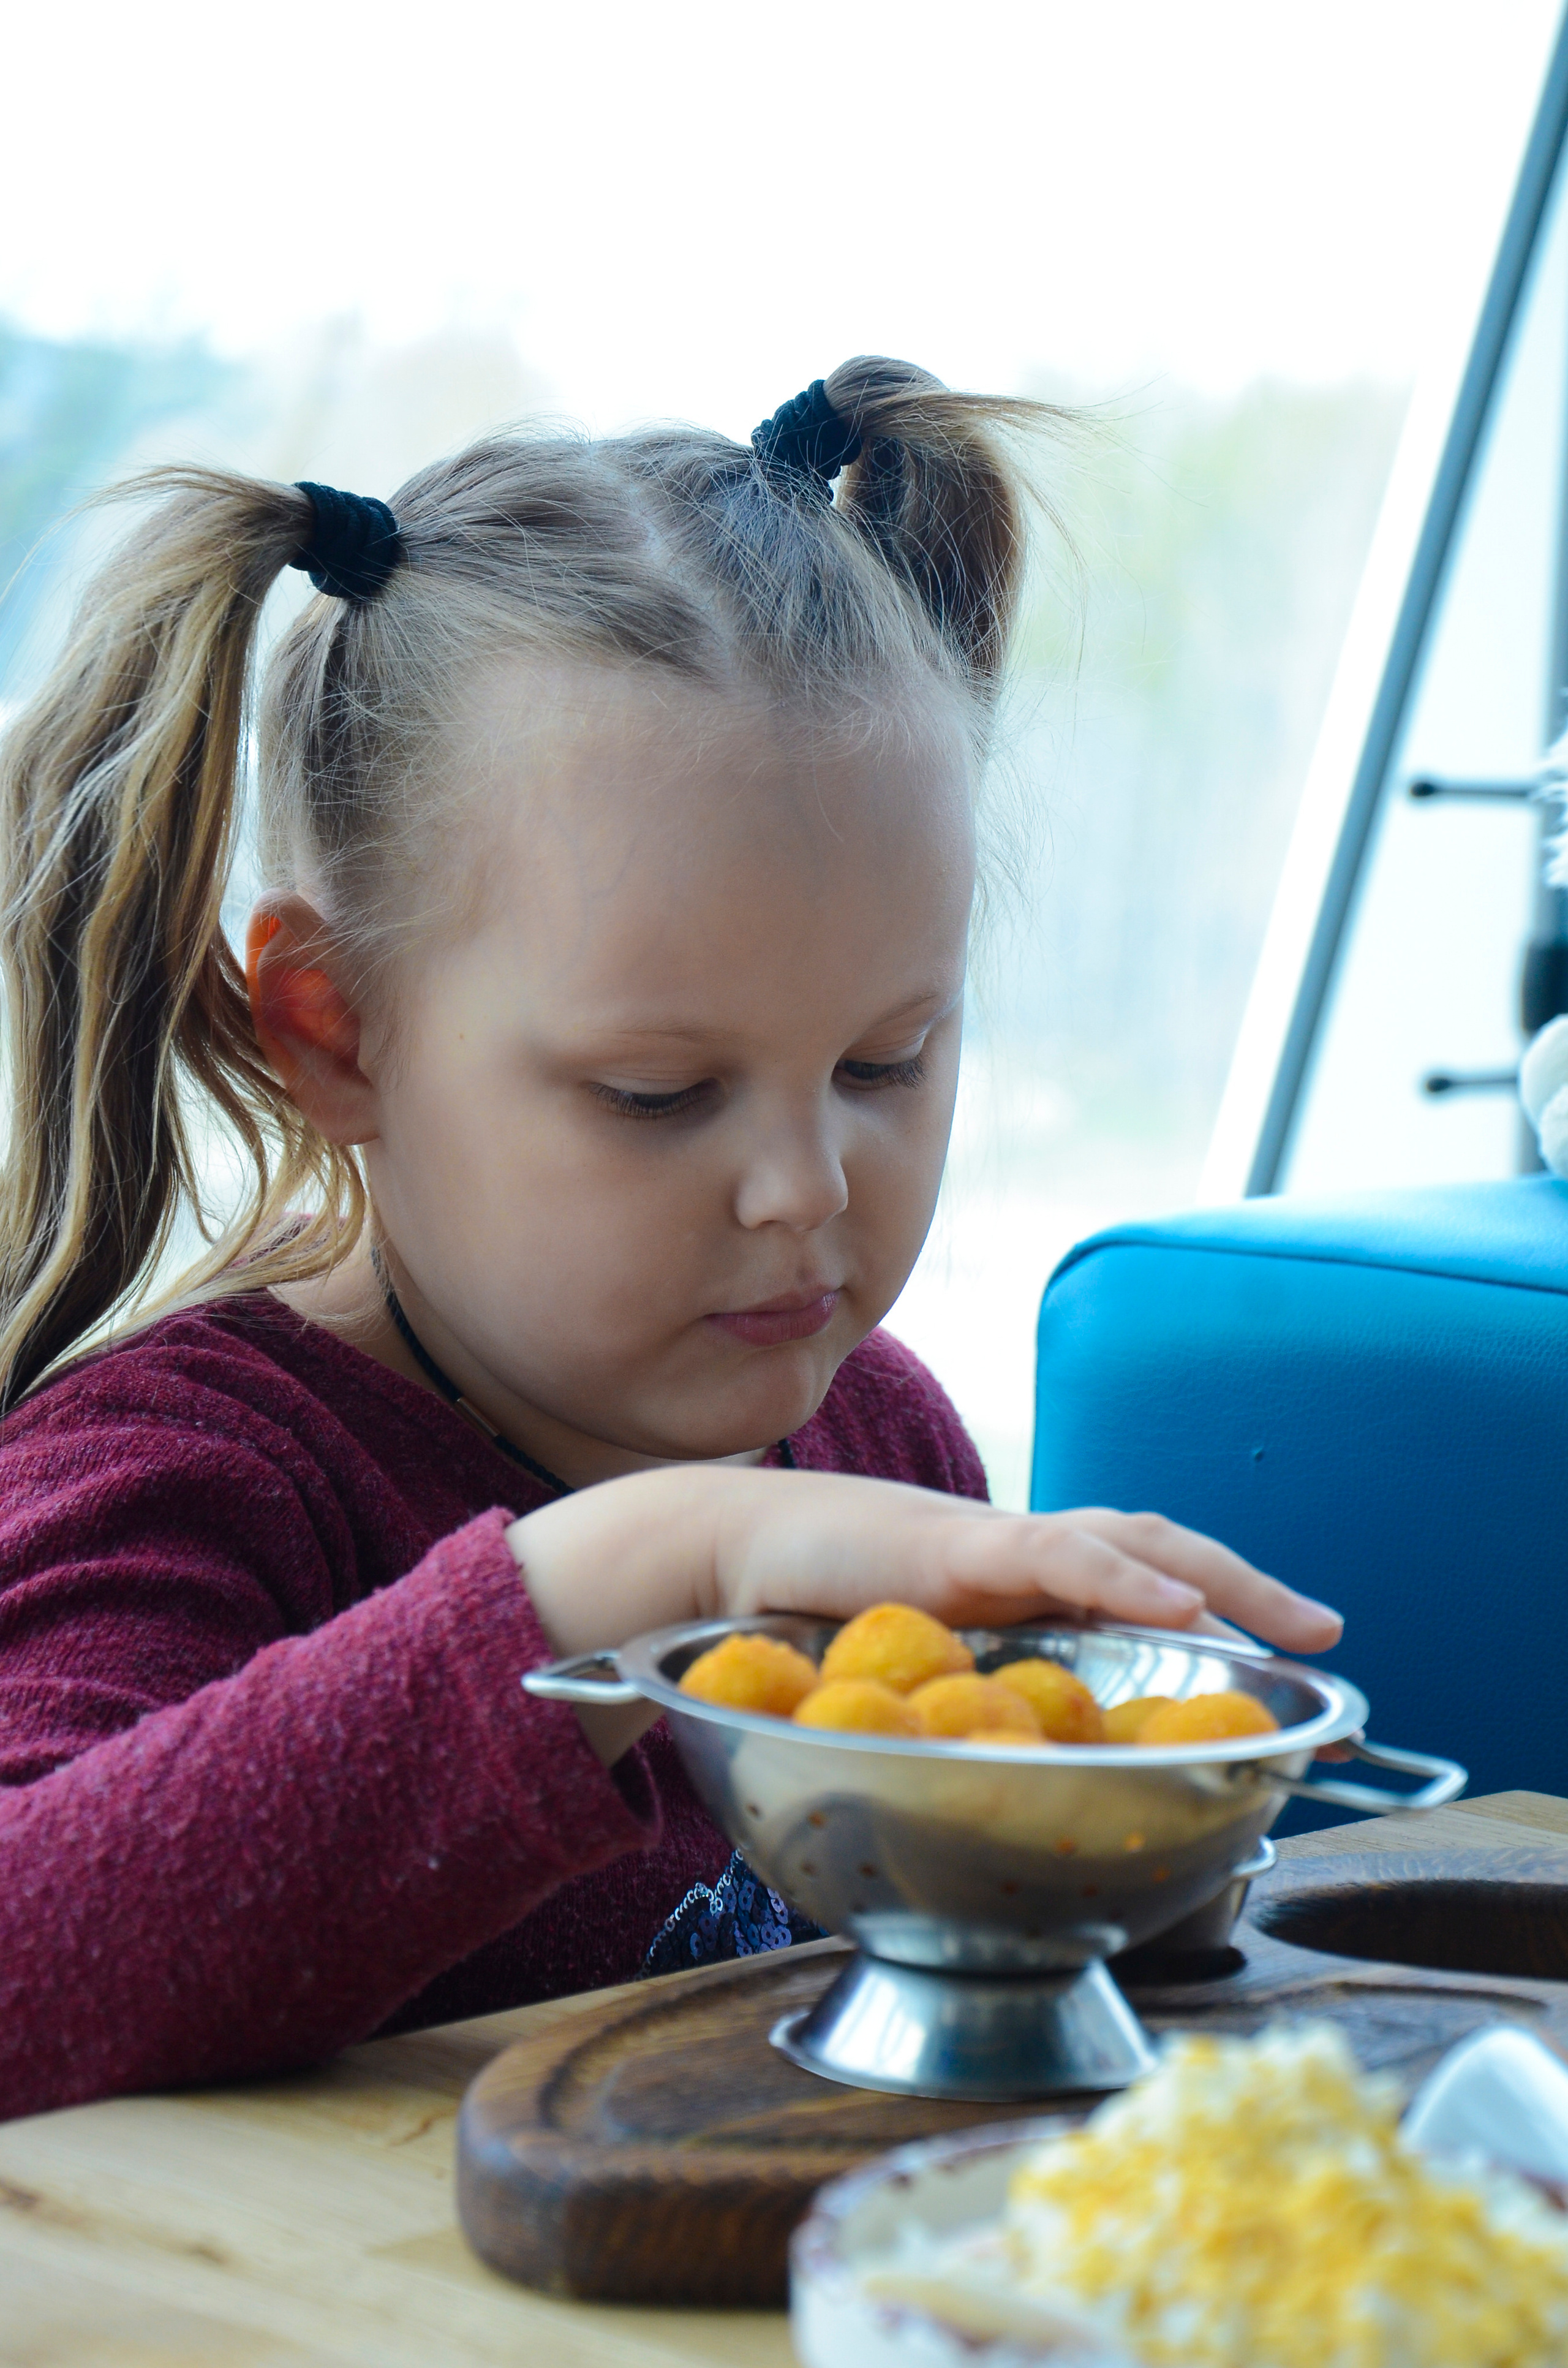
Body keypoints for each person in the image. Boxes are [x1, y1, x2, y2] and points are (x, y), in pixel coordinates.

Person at [0, 361, 1340, 2120]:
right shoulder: (191, 1477)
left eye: (887, 1060)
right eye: (659, 1091)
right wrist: (646, 1568)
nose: (805, 1188)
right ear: (336, 1036)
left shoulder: (878, 1438)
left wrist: (1118, 1855)